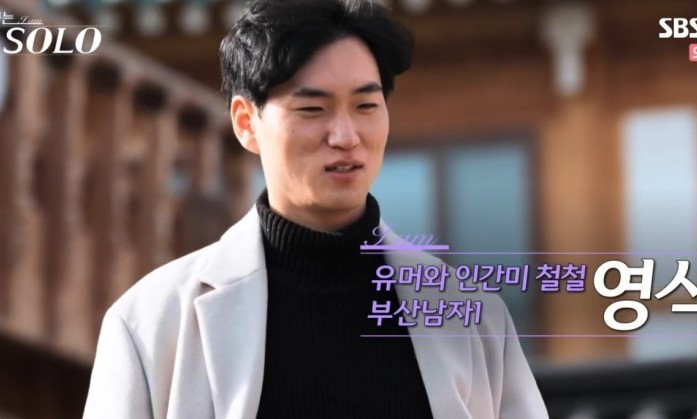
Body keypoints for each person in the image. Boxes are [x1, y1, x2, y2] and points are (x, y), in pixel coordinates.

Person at [82, 0, 548, 418]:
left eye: (366, 105)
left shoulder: (473, 318)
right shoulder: (151, 322)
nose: (346, 136)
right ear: (246, 123)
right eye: (312, 110)